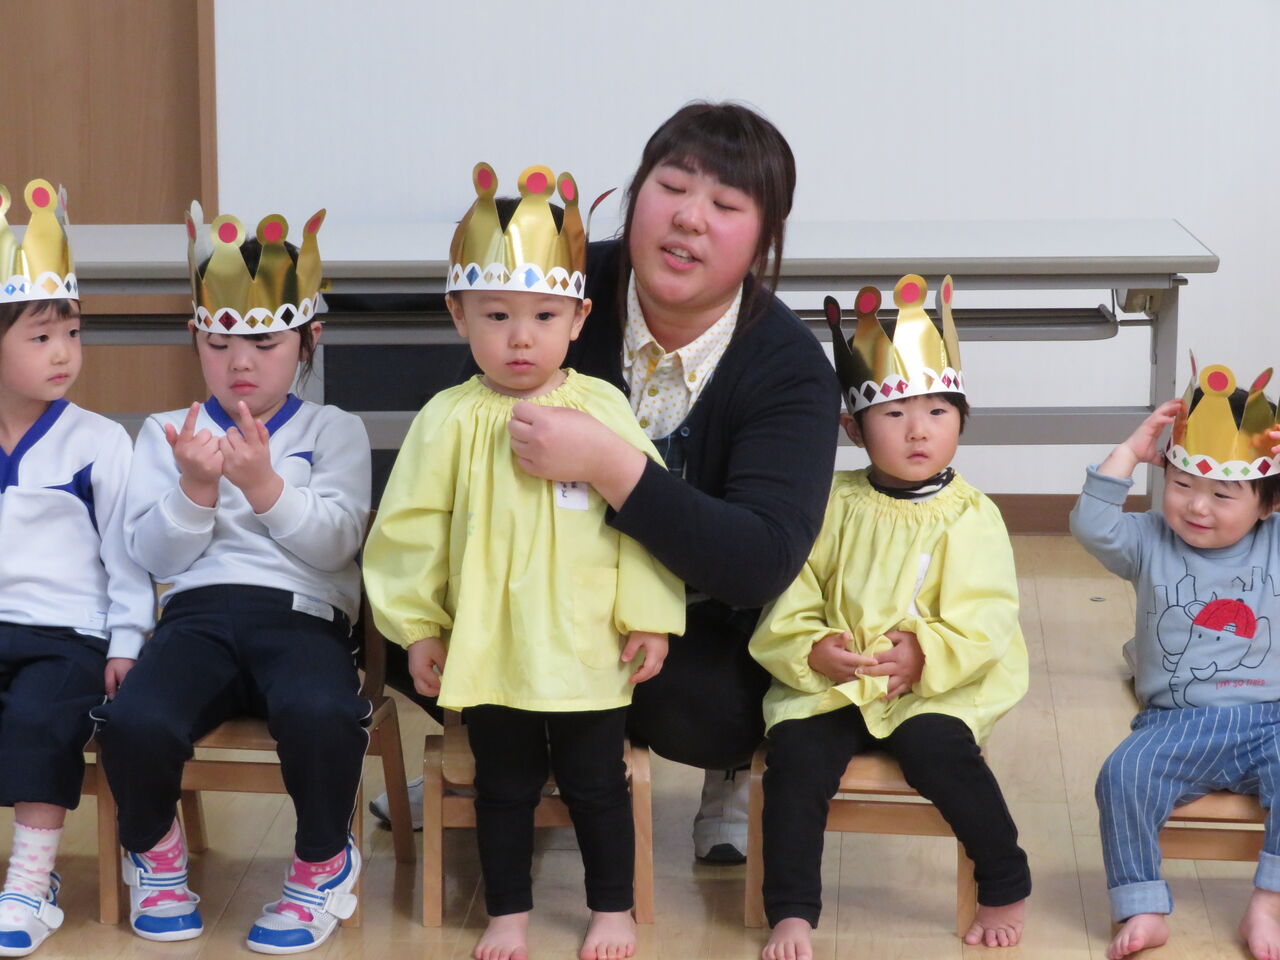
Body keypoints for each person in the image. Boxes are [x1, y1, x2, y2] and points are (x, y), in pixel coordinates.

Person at [371, 100, 841, 865]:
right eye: (672, 187)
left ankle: (692, 772)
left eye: (725, 204)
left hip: (684, 624)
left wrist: (611, 465)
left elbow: (760, 561)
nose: (689, 217)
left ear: (764, 238)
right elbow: (464, 444)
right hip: (527, 595)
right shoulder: (547, 276)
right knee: (389, 606)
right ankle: (500, 756)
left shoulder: (787, 367)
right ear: (636, 192)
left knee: (714, 709)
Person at [363, 162, 685, 960]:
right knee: (500, 787)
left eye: (543, 316)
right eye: (497, 315)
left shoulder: (603, 408)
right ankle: (506, 911)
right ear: (458, 314)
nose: (519, 337)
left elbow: (645, 522)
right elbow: (409, 533)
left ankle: (611, 907)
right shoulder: (447, 420)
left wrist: (650, 617)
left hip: (588, 648)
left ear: (578, 318)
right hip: (493, 649)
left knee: (597, 784)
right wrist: (418, 629)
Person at [91, 205, 373, 954]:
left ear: (309, 339)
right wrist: (196, 489)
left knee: (323, 713)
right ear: (197, 340)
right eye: (218, 344)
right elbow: (155, 557)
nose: (239, 363)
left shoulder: (334, 430)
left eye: (264, 343)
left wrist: (266, 488)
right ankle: (154, 853)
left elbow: (338, 545)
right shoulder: (168, 433)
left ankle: (322, 861)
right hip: (197, 619)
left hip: (302, 616)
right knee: (133, 719)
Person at [749, 277, 1031, 959]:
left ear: (961, 419)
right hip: (836, 683)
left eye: (937, 410)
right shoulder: (829, 503)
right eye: (895, 412)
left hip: (931, 687)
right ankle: (791, 910)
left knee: (941, 752)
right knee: (795, 760)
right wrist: (813, 648)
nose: (918, 429)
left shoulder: (972, 516)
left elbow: (987, 614)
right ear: (853, 428)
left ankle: (1004, 879)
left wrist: (925, 654)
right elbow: (793, 587)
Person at [1071, 360, 1280, 960]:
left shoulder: (1274, 541)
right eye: (1182, 485)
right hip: (1175, 724)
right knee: (1121, 776)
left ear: (1267, 504)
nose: (1197, 507)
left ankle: (1269, 900)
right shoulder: (1147, 540)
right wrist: (1130, 453)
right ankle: (1142, 904)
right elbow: (1091, 525)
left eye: (1223, 494)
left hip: (1271, 718)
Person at [0, 179, 154, 956]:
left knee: (40, 719)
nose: (63, 352)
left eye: (72, 331)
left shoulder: (99, 442)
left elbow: (127, 555)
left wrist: (126, 640)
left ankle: (31, 882)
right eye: (40, 336)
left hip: (68, 635)